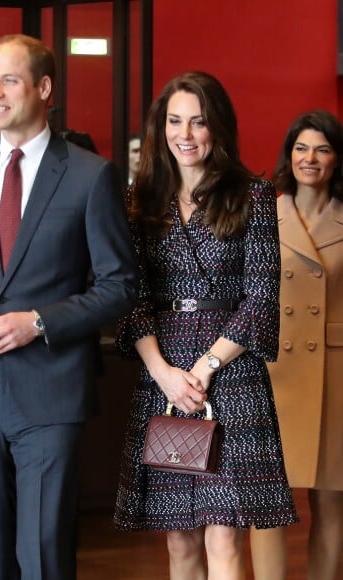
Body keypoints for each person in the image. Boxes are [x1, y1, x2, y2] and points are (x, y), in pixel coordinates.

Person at [0, 34, 137, 579]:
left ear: (44, 88)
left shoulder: (90, 175)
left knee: (42, 556)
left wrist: (37, 323)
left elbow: (119, 286)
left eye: (8, 79)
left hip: (50, 393)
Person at [113, 71, 298, 579]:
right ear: (160, 129)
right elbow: (132, 299)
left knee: (225, 534)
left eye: (198, 122)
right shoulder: (139, 201)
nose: (185, 134)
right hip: (165, 374)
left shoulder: (253, 195)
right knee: (180, 542)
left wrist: (208, 364)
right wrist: (164, 372)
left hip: (231, 373)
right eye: (174, 121)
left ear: (217, 127)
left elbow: (261, 299)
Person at [249, 110, 343, 580]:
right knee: (267, 502)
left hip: (335, 374)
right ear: (289, 153)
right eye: (302, 147)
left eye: (323, 149)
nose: (311, 158)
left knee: (331, 502)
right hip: (271, 369)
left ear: (336, 159)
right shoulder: (262, 210)